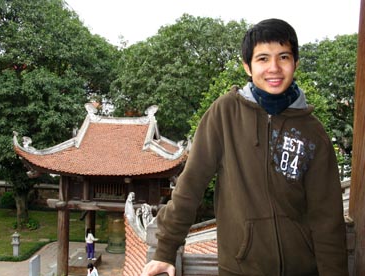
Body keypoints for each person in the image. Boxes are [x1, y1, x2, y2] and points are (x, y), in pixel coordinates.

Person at [141, 18, 349, 276]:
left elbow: (327, 216)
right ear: (247, 67)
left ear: (295, 62)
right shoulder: (225, 113)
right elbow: (191, 185)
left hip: (302, 269)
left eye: (283, 57)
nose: (274, 68)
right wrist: (166, 250)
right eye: (262, 59)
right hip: (239, 268)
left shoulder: (312, 131)